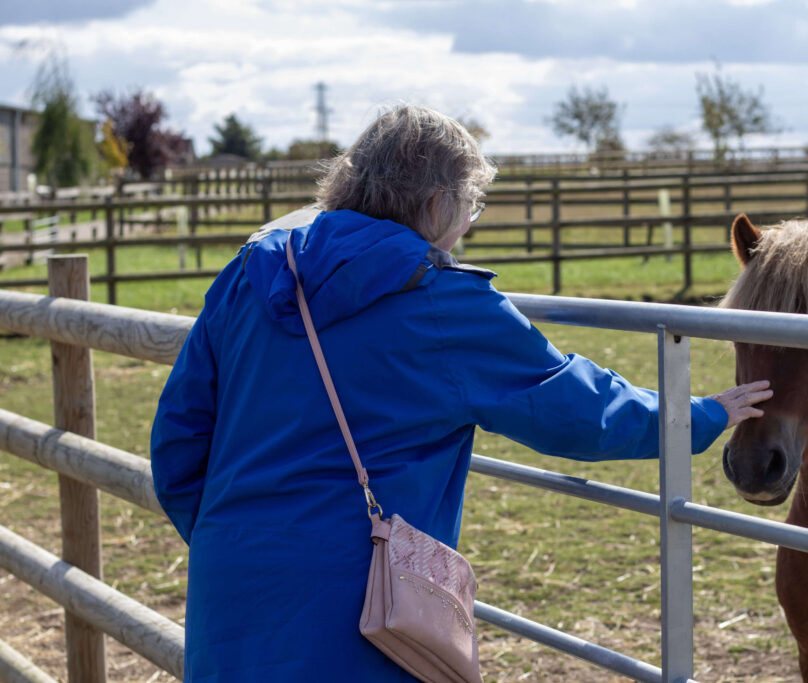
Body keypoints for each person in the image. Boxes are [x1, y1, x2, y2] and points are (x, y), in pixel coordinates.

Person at [150, 104, 771, 682]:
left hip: (228, 589)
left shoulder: (252, 272)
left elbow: (179, 441)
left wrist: (229, 538)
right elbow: (573, 408)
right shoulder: (440, 301)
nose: (467, 225)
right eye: (471, 207)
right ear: (438, 202)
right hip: (355, 604)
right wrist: (694, 416)